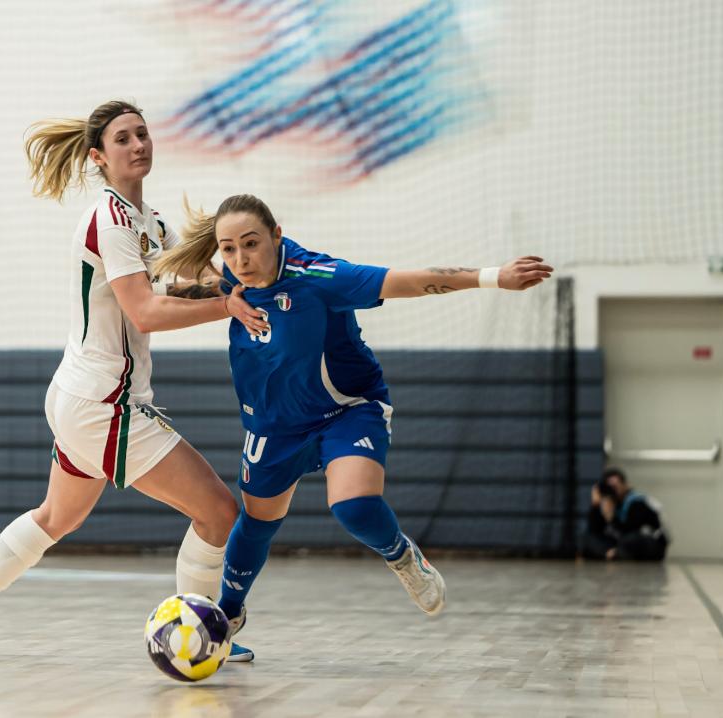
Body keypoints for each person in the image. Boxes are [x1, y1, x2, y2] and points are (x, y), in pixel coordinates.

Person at [0, 101, 270, 654]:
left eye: (143, 134)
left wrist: (225, 287)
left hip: (78, 396)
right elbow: (146, 312)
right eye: (123, 139)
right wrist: (226, 307)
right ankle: (203, 636)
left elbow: (170, 288)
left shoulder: (149, 222)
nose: (138, 144)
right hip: (103, 404)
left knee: (56, 517)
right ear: (99, 157)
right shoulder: (109, 220)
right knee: (219, 512)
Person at [155, 193, 553, 661]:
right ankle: (229, 613)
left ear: (276, 235)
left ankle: (402, 556)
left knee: (354, 506)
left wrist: (492, 277)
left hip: (346, 410)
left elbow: (408, 281)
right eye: (228, 248)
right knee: (257, 525)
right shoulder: (227, 278)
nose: (241, 258)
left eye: (251, 243)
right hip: (274, 425)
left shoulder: (321, 277)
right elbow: (167, 290)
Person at [587, 467, 668, 561]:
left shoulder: (638, 501)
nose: (613, 491)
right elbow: (594, 529)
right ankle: (610, 553)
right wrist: (595, 506)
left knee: (630, 540)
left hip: (649, 542)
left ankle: (615, 553)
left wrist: (611, 518)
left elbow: (629, 530)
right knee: (589, 538)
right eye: (609, 487)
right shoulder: (608, 503)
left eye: (615, 486)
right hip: (623, 542)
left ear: (625, 485)